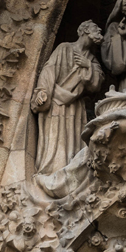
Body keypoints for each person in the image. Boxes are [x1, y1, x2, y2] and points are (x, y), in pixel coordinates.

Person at [31, 20, 106, 175]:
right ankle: (51, 172)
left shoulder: (91, 60)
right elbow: (48, 71)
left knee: (72, 142)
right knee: (54, 140)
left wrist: (88, 66)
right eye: (94, 27)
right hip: (56, 103)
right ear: (84, 30)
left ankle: (70, 174)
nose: (99, 29)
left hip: (75, 107)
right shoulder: (64, 48)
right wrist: (42, 92)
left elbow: (96, 85)